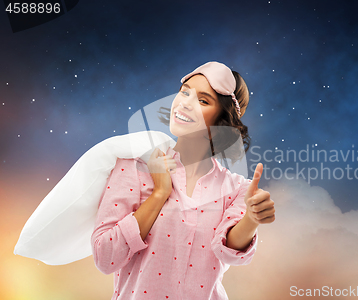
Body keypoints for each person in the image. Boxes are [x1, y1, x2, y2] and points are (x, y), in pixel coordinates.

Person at [91, 61, 275, 299]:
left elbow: (228, 252)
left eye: (203, 100)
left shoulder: (237, 188)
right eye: (184, 91)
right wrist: (159, 194)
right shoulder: (135, 166)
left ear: (222, 119)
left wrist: (251, 219)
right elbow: (105, 257)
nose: (184, 103)